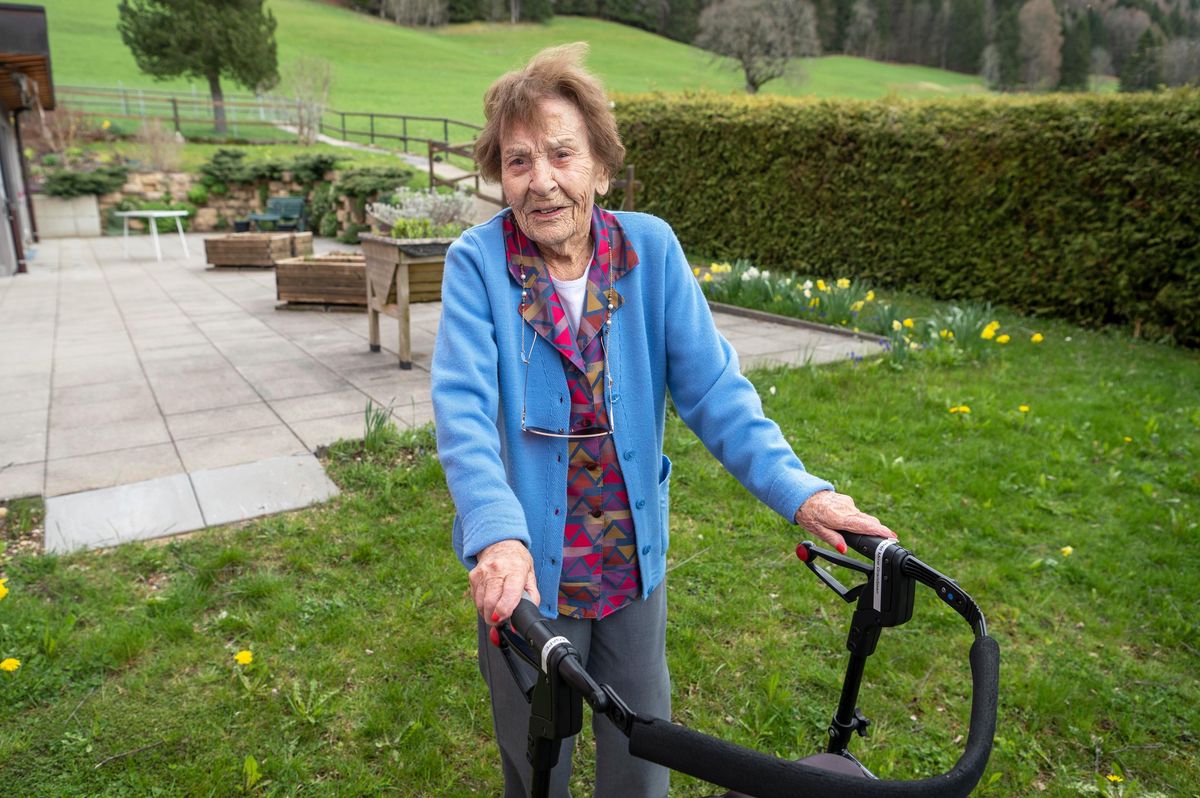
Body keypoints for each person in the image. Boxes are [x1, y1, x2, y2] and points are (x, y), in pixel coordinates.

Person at [431, 43, 895, 798]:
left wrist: (803, 492)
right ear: (499, 176)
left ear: (601, 166)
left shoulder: (649, 249)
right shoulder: (476, 264)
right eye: (518, 161)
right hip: (524, 562)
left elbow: (715, 391)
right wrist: (498, 532)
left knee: (643, 743)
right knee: (534, 748)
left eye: (561, 154)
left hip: (626, 552)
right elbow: (463, 411)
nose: (541, 181)